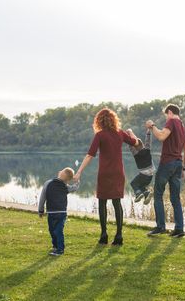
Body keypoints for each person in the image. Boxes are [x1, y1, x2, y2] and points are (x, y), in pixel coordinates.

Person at [73, 108, 139, 246]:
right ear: (114, 120)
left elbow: (90, 155)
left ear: (99, 121)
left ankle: (104, 235)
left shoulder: (100, 135)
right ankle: (119, 236)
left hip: (104, 173)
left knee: (102, 202)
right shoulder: (120, 133)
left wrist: (79, 171)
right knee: (117, 203)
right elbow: (136, 143)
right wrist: (131, 132)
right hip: (118, 173)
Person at [146, 104, 185, 238]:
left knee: (158, 194)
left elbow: (161, 136)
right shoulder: (183, 126)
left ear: (170, 112)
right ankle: (179, 229)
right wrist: (183, 167)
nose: (166, 118)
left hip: (167, 163)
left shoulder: (172, 121)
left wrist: (152, 126)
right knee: (175, 198)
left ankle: (160, 227)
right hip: (177, 164)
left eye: (166, 115)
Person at [38, 167, 79, 256]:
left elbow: (42, 198)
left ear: (61, 174)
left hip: (55, 213)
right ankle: (56, 246)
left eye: (62, 170)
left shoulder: (48, 183)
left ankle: (60, 249)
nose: (59, 171)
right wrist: (77, 181)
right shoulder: (65, 186)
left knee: (55, 230)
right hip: (60, 213)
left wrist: (41, 210)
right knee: (55, 230)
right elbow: (74, 188)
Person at [126, 128, 155, 205]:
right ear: (142, 144)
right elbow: (148, 140)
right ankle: (146, 193)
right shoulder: (147, 149)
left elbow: (131, 146)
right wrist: (148, 131)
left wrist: (129, 135)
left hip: (143, 175)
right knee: (141, 186)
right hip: (150, 176)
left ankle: (138, 194)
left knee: (133, 183)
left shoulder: (136, 154)